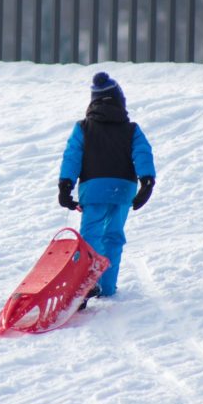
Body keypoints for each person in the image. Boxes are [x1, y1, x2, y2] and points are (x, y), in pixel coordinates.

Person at [57, 72, 156, 299]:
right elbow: (143, 154)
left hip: (93, 189)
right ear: (120, 101)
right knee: (114, 236)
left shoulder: (83, 128)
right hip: (123, 190)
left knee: (90, 235)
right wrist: (147, 182)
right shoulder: (132, 129)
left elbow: (72, 157)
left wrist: (65, 186)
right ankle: (108, 287)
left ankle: (87, 282)